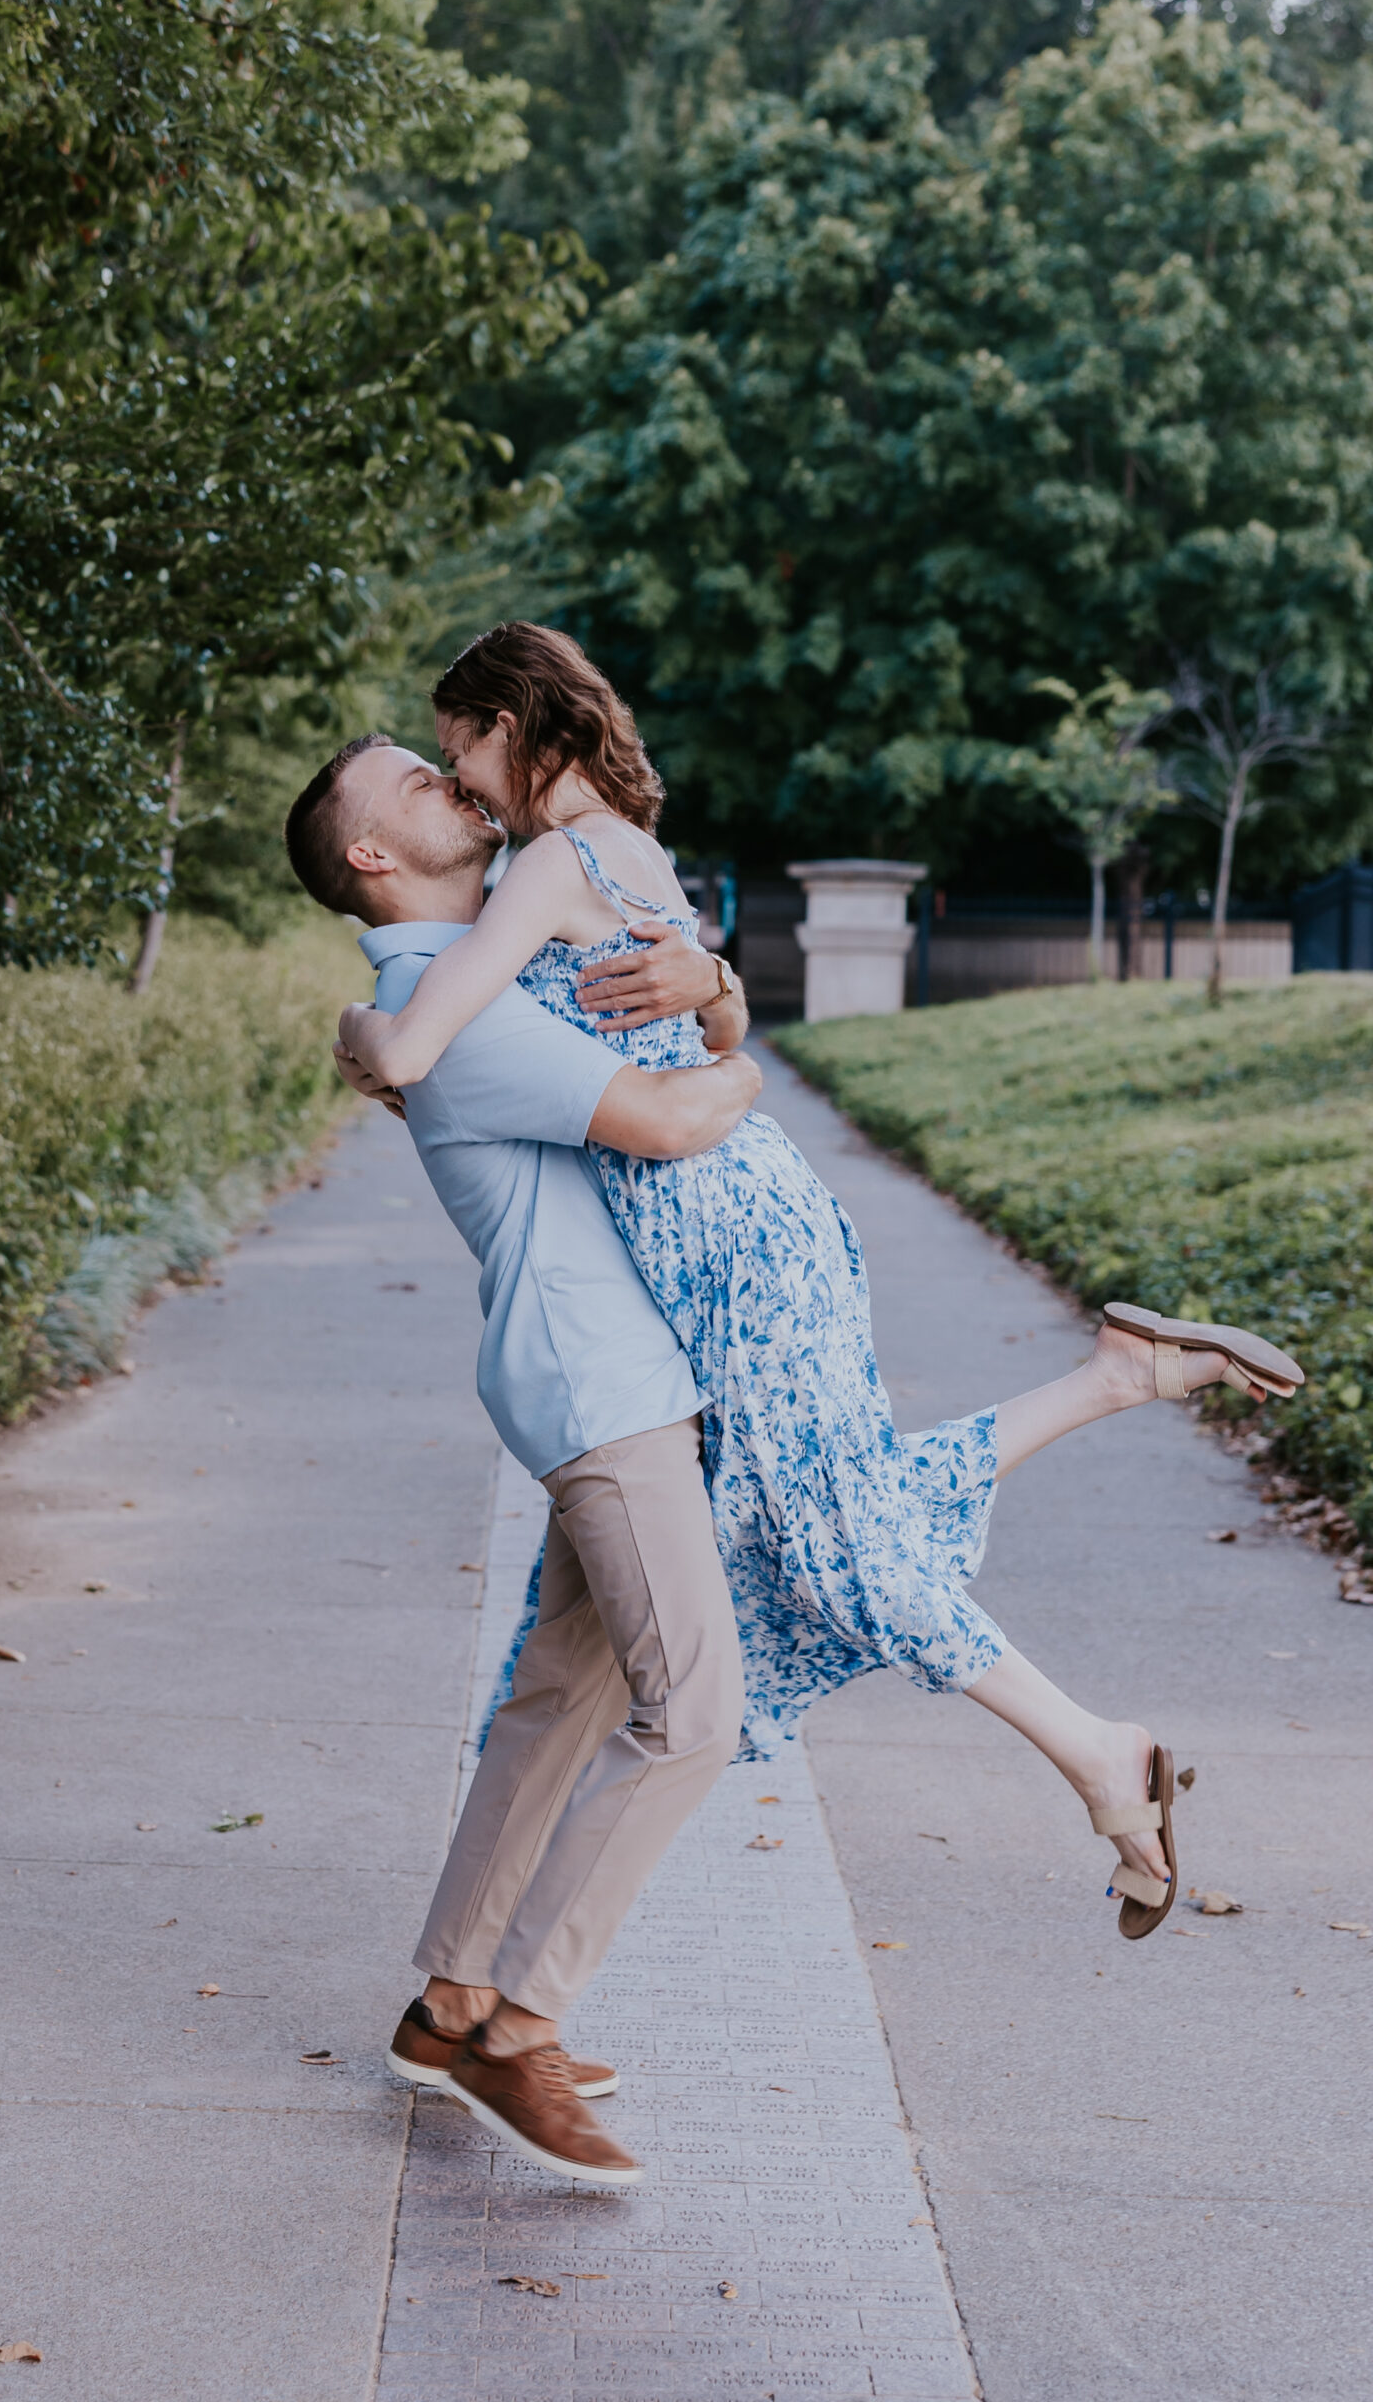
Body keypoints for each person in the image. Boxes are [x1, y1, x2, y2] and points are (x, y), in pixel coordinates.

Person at [337, 622, 1305, 1947]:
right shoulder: (617, 843)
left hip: (720, 1237)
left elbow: (417, 1045)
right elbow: (672, 1015)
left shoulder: (546, 864)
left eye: (457, 754)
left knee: (833, 1550)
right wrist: (715, 991)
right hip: (750, 1219)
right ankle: (1115, 1381)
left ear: (509, 728)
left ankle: (1097, 1756)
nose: (461, 788)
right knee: (821, 1521)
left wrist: (360, 1023)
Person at [283, 733, 762, 2189]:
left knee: (564, 1695)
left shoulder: (480, 974)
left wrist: (717, 989)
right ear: (371, 856)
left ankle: (446, 2005)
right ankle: (522, 2023)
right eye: (411, 783)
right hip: (600, 1387)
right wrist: (757, 1063)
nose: (449, 780)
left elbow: (667, 1003)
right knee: (694, 1715)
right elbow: (677, 1115)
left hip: (599, 1373)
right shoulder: (452, 1005)